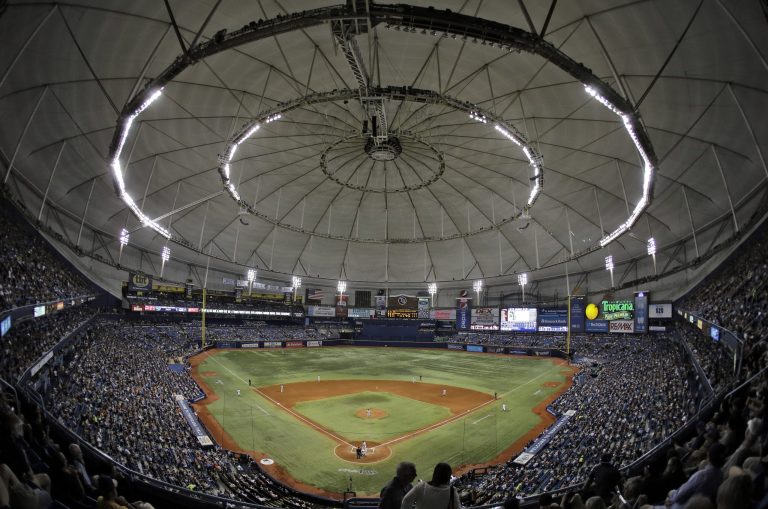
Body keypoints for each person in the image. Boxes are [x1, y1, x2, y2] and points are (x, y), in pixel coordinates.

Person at [666, 442, 727, 508]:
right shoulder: (721, 476)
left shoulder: (700, 476)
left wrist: (671, 494)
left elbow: (678, 497)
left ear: (708, 455)